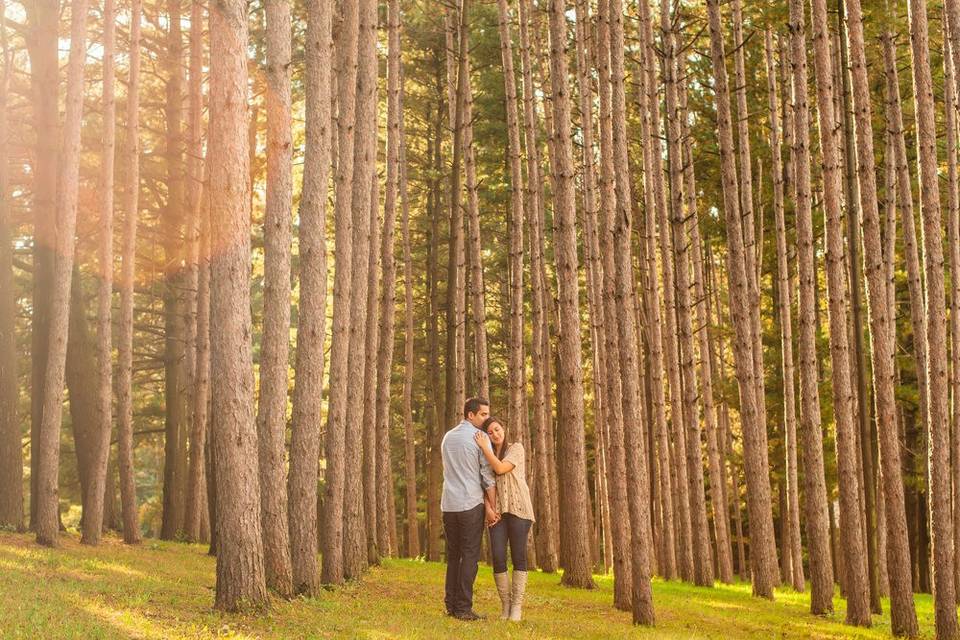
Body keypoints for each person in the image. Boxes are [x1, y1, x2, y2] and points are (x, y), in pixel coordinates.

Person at [440, 397, 498, 621]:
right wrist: (492, 507)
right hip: (470, 504)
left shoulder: (448, 437)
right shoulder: (479, 437)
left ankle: (451, 605)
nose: (486, 418)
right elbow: (487, 477)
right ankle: (463, 608)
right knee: (470, 556)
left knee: (454, 556)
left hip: (449, 505)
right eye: (483, 414)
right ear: (470, 415)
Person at [474, 416, 535, 622]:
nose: (495, 435)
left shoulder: (516, 449)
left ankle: (517, 607)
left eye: (497, 429)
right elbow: (484, 482)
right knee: (498, 557)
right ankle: (506, 605)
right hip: (497, 513)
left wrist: (485, 447)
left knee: (519, 556)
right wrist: (488, 509)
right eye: (490, 433)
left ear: (504, 429)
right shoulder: (486, 456)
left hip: (519, 510)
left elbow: (500, 469)